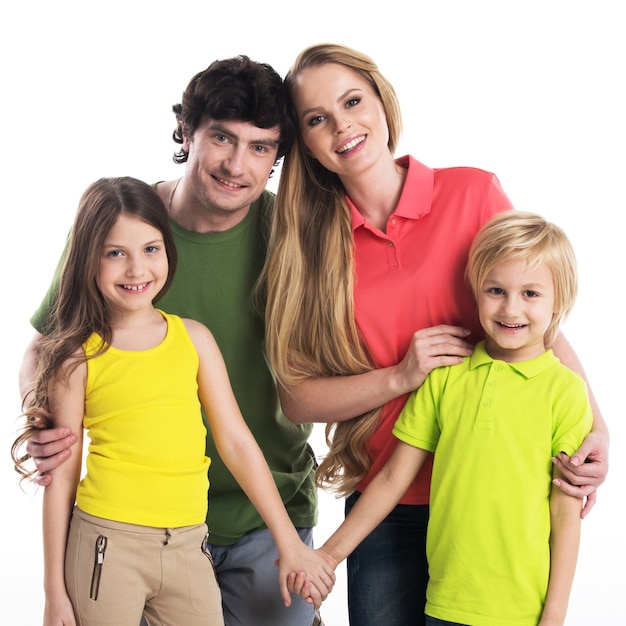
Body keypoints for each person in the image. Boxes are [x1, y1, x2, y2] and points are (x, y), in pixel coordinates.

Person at [260, 43, 609, 626]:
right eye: (318, 119)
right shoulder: (308, 248)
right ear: (305, 141)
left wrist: (595, 427)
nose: (343, 125)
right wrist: (398, 376)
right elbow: (296, 398)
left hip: (497, 490)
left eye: (353, 101)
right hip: (385, 498)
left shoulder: (472, 194)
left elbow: (535, 322)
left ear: (382, 101)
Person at [18, 57, 329, 626]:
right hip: (128, 519)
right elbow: (47, 348)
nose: (237, 165)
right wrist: (44, 422)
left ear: (278, 158)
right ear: (188, 133)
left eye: (261, 148)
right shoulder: (121, 226)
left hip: (266, 511)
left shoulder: (293, 236)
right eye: (222, 138)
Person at [293, 210, 593, 625]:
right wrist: (328, 555)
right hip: (446, 600)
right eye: (496, 290)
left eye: (531, 294)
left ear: (560, 300)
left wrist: (555, 613)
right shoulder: (446, 376)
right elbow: (391, 478)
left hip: (523, 610)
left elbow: (565, 513)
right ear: (475, 291)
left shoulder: (566, 392)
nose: (510, 308)